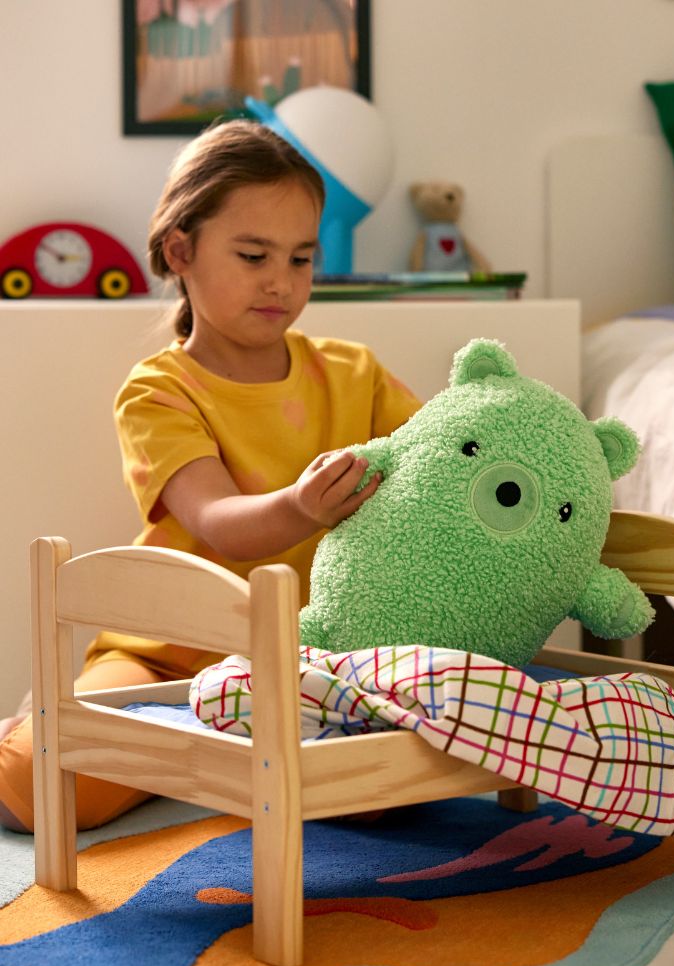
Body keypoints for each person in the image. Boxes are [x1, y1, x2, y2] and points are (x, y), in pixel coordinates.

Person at [0, 119, 421, 833]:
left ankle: (218, 757)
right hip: (170, 655)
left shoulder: (355, 372)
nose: (281, 282)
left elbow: (436, 458)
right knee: (37, 788)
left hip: (313, 654)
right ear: (180, 251)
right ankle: (78, 731)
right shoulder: (160, 390)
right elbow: (218, 523)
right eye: (254, 255)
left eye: (301, 259)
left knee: (397, 787)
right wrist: (301, 505)